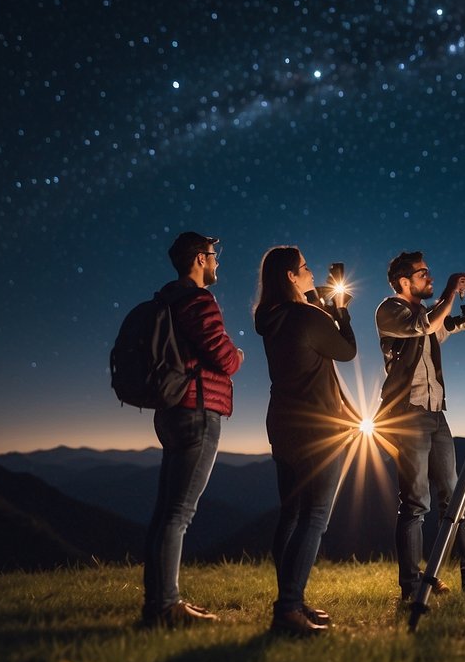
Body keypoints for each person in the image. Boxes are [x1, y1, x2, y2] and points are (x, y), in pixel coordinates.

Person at [376, 251, 465, 602]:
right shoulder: (390, 310)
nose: (430, 277)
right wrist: (450, 291)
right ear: (405, 282)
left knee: (459, 496)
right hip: (407, 415)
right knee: (416, 503)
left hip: (436, 414)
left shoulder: (429, 315)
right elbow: (422, 327)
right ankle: (412, 586)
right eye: (423, 273)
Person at [142, 232, 244, 628]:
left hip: (170, 409)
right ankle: (166, 605)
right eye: (214, 255)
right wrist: (235, 354)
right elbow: (223, 358)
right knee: (179, 514)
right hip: (197, 410)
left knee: (167, 511)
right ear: (200, 259)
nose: (217, 262)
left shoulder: (166, 301)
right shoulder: (197, 299)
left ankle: (159, 601)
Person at [254, 246, 357, 636]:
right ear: (290, 277)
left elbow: (312, 338)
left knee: (291, 514)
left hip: (283, 425)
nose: (311, 271)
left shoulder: (272, 317)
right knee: (315, 516)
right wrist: (342, 310)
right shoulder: (304, 316)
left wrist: (316, 302)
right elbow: (346, 351)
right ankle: (289, 608)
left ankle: (291, 599)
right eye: (304, 268)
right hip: (320, 429)